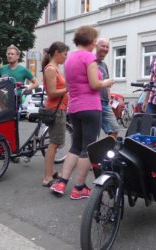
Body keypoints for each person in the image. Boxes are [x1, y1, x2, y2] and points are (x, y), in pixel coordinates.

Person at [50, 26, 114, 200]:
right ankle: (79, 187)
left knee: (76, 146)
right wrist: (106, 82)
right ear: (91, 41)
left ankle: (62, 182)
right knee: (88, 147)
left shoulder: (69, 59)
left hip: (74, 107)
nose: (95, 44)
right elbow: (94, 84)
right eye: (95, 41)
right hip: (91, 107)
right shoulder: (89, 57)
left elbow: (69, 87)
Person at [41, 41, 69, 187]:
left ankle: (50, 172)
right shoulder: (51, 68)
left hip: (60, 108)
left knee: (55, 143)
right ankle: (47, 177)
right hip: (56, 109)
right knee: (54, 144)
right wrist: (67, 89)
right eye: (64, 54)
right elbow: (52, 93)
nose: (65, 57)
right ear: (57, 53)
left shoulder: (55, 68)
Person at [96, 38, 119, 139]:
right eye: (103, 46)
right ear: (96, 46)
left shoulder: (104, 65)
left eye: (107, 47)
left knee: (115, 130)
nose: (105, 49)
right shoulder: (91, 62)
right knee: (92, 134)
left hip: (105, 103)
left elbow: (107, 84)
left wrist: (109, 98)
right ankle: (89, 153)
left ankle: (106, 152)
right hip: (95, 102)